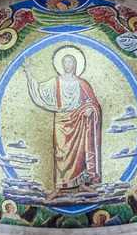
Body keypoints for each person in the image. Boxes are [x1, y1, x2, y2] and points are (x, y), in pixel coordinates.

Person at [23, 50, 102, 201]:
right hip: (61, 119)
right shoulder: (56, 81)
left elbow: (94, 103)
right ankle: (58, 188)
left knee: (80, 153)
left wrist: (89, 109)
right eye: (65, 62)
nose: (68, 65)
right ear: (61, 65)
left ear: (75, 64)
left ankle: (82, 184)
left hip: (79, 120)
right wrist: (28, 72)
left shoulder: (82, 83)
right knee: (60, 154)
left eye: (70, 62)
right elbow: (39, 90)